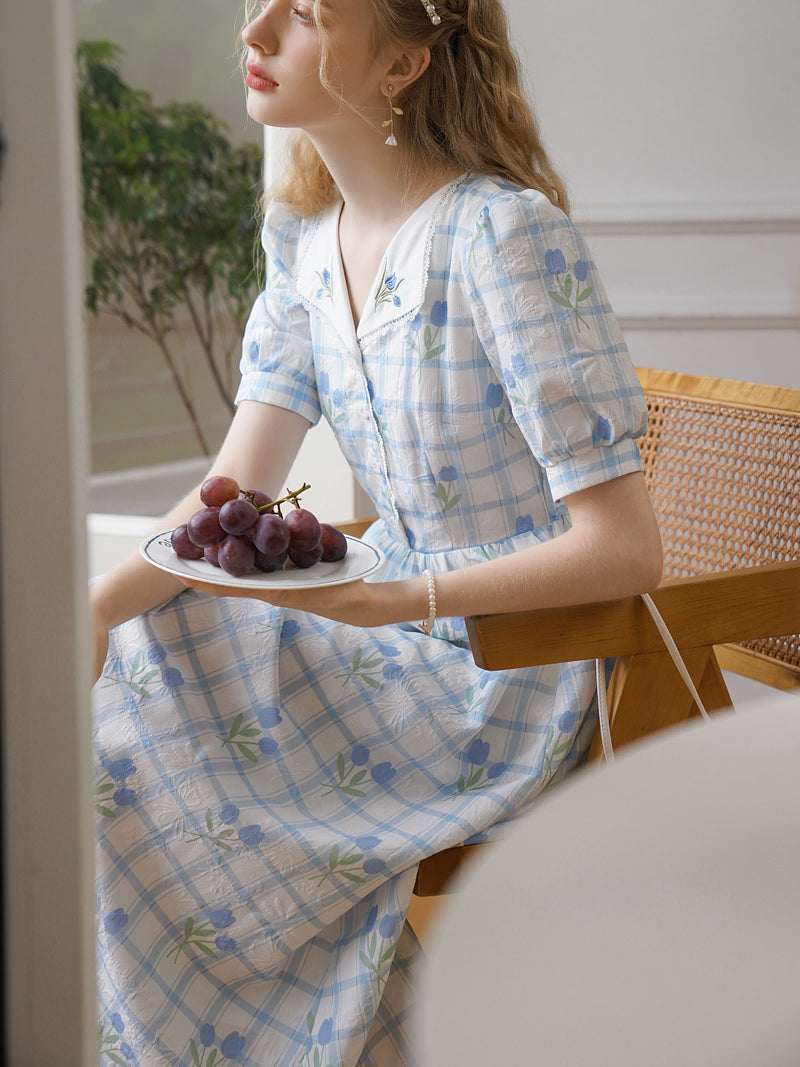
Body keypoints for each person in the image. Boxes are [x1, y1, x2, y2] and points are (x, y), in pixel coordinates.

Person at [91, 0, 663, 1062]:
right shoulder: (303, 244)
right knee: (130, 662)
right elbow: (231, 488)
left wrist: (396, 597)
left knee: (122, 743)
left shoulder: (502, 234)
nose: (255, 32)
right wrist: (91, 610)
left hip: (503, 674)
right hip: (381, 642)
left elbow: (626, 550)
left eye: (303, 13)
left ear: (403, 62)